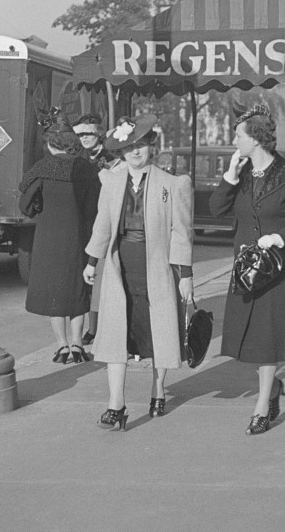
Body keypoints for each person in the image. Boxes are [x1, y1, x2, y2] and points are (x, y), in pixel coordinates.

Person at [209, 104, 285, 435]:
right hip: (247, 269)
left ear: (255, 138)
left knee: (267, 337)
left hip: (276, 269)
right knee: (254, 337)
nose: (234, 140)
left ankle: (261, 406)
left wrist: (280, 237)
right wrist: (228, 176)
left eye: (238, 135)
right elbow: (216, 209)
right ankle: (272, 388)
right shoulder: (240, 175)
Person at [82, 114, 193, 431]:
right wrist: (92, 262)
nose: (135, 152)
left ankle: (158, 390)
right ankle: (115, 404)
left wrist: (186, 274)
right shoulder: (112, 182)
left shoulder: (172, 185)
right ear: (121, 152)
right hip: (121, 266)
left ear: (152, 147)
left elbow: (181, 232)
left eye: (141, 145)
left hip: (157, 265)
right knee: (115, 332)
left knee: (160, 331)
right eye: (129, 147)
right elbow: (103, 224)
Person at [18, 123, 101, 365]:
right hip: (80, 236)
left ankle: (62, 346)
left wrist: (38, 208)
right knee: (77, 288)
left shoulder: (43, 167)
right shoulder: (86, 168)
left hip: (49, 237)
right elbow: (95, 205)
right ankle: (78, 344)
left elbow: (25, 203)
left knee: (55, 289)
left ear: (51, 144)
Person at [72, 112, 112, 345]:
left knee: (103, 277)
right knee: (89, 278)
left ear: (98, 132)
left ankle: (100, 327)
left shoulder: (112, 156)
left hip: (104, 220)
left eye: (87, 133)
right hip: (85, 220)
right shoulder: (79, 157)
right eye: (79, 134)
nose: (84, 138)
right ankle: (92, 328)